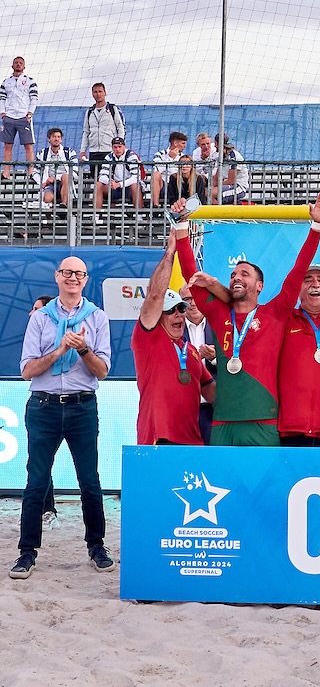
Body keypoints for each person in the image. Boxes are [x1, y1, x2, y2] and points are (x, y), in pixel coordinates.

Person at [171, 193, 320, 445]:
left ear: (259, 285)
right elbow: (191, 275)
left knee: (264, 484)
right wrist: (181, 224)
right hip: (223, 420)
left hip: (262, 421)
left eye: (244, 274)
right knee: (222, 483)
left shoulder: (275, 313)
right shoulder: (218, 313)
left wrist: (317, 226)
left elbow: (299, 270)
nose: (236, 278)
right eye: (233, 274)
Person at [12, 256, 114, 579]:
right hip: (43, 406)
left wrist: (83, 349)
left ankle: (96, 546)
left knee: (90, 481)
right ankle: (27, 552)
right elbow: (27, 370)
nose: (73, 278)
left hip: (83, 405)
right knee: (36, 482)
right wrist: (58, 351)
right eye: (67, 272)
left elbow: (103, 371)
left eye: (79, 274)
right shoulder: (40, 318)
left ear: (86, 279)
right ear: (57, 277)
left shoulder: (97, 318)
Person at [131, 236, 213, 445]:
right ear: (157, 316)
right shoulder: (148, 338)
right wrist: (171, 252)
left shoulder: (191, 350)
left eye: (181, 308)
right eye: (170, 310)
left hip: (193, 442)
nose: (179, 314)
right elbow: (155, 296)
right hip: (159, 440)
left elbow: (211, 391)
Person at [278, 264, 320, 446]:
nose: (314, 284)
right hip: (290, 431)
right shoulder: (283, 320)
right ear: (298, 290)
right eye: (307, 280)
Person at [28, 296, 59, 526]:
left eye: (37, 310)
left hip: (71, 405)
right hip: (39, 402)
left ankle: (48, 509)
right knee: (38, 464)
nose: (32, 314)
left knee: (88, 477)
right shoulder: (33, 335)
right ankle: (45, 510)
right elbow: (27, 370)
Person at [179, 284, 217, 443]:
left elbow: (238, 364)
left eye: (196, 298)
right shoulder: (174, 328)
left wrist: (215, 359)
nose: (193, 303)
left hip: (213, 409)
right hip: (183, 410)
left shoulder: (220, 327)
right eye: (187, 299)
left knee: (213, 460)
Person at [1, 56, 38, 179]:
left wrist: (29, 113)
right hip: (9, 117)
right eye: (16, 63)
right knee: (8, 145)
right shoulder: (6, 82)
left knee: (28, 145)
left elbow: (34, 98)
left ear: (24, 66)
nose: (18, 64)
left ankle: (31, 172)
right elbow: (2, 98)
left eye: (20, 63)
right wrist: (3, 113)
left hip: (23, 117)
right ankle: (6, 172)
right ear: (12, 66)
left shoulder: (30, 81)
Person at [79, 83, 125, 179]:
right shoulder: (89, 112)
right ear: (92, 94)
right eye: (95, 92)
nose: (98, 94)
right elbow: (86, 132)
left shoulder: (113, 109)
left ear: (105, 93)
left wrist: (119, 145)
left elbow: (120, 128)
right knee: (96, 181)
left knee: (110, 180)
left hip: (109, 150)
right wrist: (83, 151)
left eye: (100, 91)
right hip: (94, 152)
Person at [30, 127, 79, 209]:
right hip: (49, 184)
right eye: (54, 137)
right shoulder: (43, 153)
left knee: (66, 177)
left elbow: (75, 172)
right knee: (48, 198)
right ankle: (49, 221)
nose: (56, 139)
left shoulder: (69, 152)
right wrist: (42, 182)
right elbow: (35, 171)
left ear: (61, 140)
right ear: (49, 139)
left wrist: (56, 178)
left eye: (59, 137)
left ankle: (63, 205)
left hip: (64, 183)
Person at [94, 137, 144, 211]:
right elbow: (101, 176)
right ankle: (96, 215)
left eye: (120, 147)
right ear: (112, 148)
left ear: (124, 146)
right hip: (114, 187)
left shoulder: (131, 156)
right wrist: (110, 182)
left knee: (135, 185)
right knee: (98, 185)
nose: (117, 149)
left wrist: (120, 184)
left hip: (128, 187)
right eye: (115, 147)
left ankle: (140, 215)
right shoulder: (109, 157)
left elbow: (136, 178)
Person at [150, 131, 189, 207]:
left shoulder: (184, 157)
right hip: (164, 186)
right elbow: (157, 170)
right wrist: (169, 158)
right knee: (156, 174)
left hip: (178, 185)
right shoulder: (160, 154)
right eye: (183, 143)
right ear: (175, 143)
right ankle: (155, 206)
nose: (185, 146)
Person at [211, 135, 250, 205]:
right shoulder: (219, 156)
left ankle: (218, 213)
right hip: (226, 185)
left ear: (216, 143)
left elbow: (230, 180)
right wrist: (212, 187)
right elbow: (216, 177)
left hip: (238, 187)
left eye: (215, 144)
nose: (214, 146)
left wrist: (215, 188)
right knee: (205, 192)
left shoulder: (233, 156)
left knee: (210, 193)